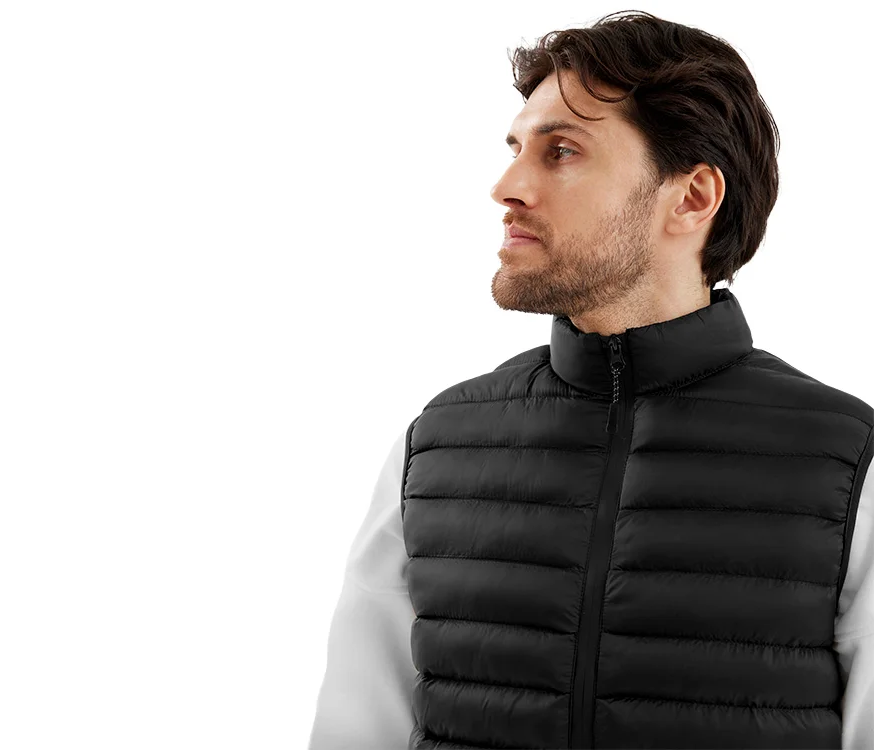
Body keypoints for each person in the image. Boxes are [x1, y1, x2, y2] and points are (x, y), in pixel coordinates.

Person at [308, 10, 873, 749]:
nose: (506, 186)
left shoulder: (848, 464)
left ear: (692, 198)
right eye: (516, 149)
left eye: (562, 151)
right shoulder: (436, 449)